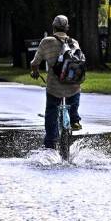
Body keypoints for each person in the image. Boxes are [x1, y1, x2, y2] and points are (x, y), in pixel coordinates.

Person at [30, 14, 83, 149]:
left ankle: (50, 143)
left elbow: (35, 63)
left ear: (53, 27)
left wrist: (35, 71)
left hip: (54, 87)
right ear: (67, 28)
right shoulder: (74, 42)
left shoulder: (46, 42)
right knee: (75, 93)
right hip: (72, 85)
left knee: (51, 112)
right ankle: (74, 119)